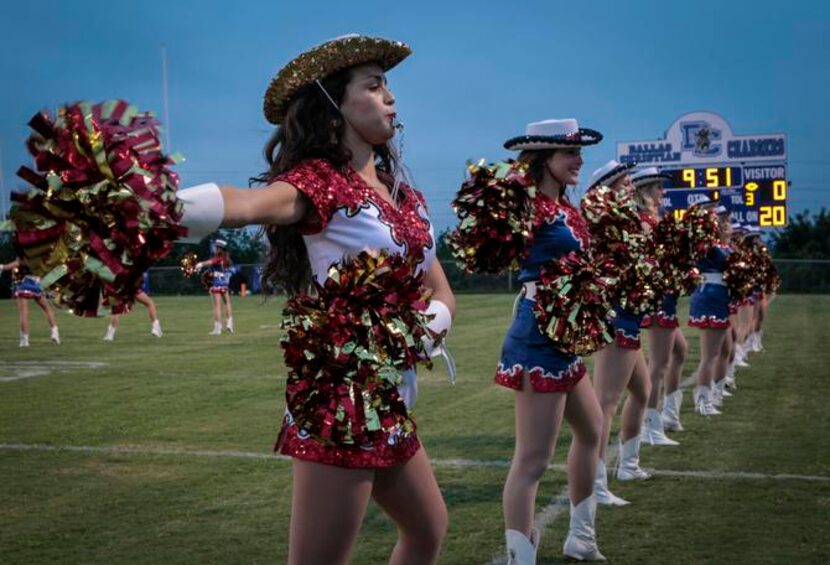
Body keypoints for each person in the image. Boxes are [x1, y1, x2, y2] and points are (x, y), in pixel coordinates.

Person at [176, 34, 455, 564]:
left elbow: (439, 287)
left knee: (427, 530)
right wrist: (161, 207)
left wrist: (422, 331)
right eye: (373, 86)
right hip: (339, 401)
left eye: (388, 84)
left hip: (385, 394)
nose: (390, 96)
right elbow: (250, 203)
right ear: (333, 105)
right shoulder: (319, 183)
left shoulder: (404, 194)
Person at [496, 119, 605, 562]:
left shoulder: (567, 208)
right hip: (537, 335)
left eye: (579, 152)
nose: (579, 160)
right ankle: (520, 558)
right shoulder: (528, 206)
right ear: (544, 160)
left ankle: (581, 536)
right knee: (533, 460)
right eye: (569, 154)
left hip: (566, 334)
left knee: (593, 428)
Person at [584, 160, 652, 506]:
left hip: (631, 314)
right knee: (605, 403)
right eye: (624, 183)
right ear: (606, 190)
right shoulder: (604, 222)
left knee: (642, 390)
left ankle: (628, 463)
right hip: (616, 315)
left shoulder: (627, 222)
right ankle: (595, 481)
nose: (631, 187)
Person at [631, 167, 686, 445]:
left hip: (665, 294)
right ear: (644, 191)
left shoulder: (653, 218)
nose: (663, 193)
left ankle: (666, 416)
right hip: (657, 297)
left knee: (679, 352)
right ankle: (651, 426)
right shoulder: (642, 220)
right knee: (659, 365)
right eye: (658, 188)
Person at [689, 204, 732, 416]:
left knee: (724, 350)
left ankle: (715, 392)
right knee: (710, 355)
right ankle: (703, 400)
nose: (730, 226)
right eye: (727, 221)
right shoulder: (709, 246)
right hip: (711, 297)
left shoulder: (724, 247)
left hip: (719, 298)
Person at [0, 259, 60, 347]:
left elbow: (19, 262)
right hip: (37, 282)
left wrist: (4, 267)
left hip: (25, 282)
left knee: (23, 313)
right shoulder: (41, 253)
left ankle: (25, 341)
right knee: (47, 308)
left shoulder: (27, 252)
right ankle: (55, 333)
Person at [194, 239, 234, 335]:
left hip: (217, 283)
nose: (215, 249)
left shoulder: (218, 258)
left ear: (220, 249)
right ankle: (229, 324)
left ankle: (217, 328)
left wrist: (201, 264)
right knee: (227, 303)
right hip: (224, 282)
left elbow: (211, 262)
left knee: (217, 306)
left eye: (216, 247)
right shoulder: (226, 259)